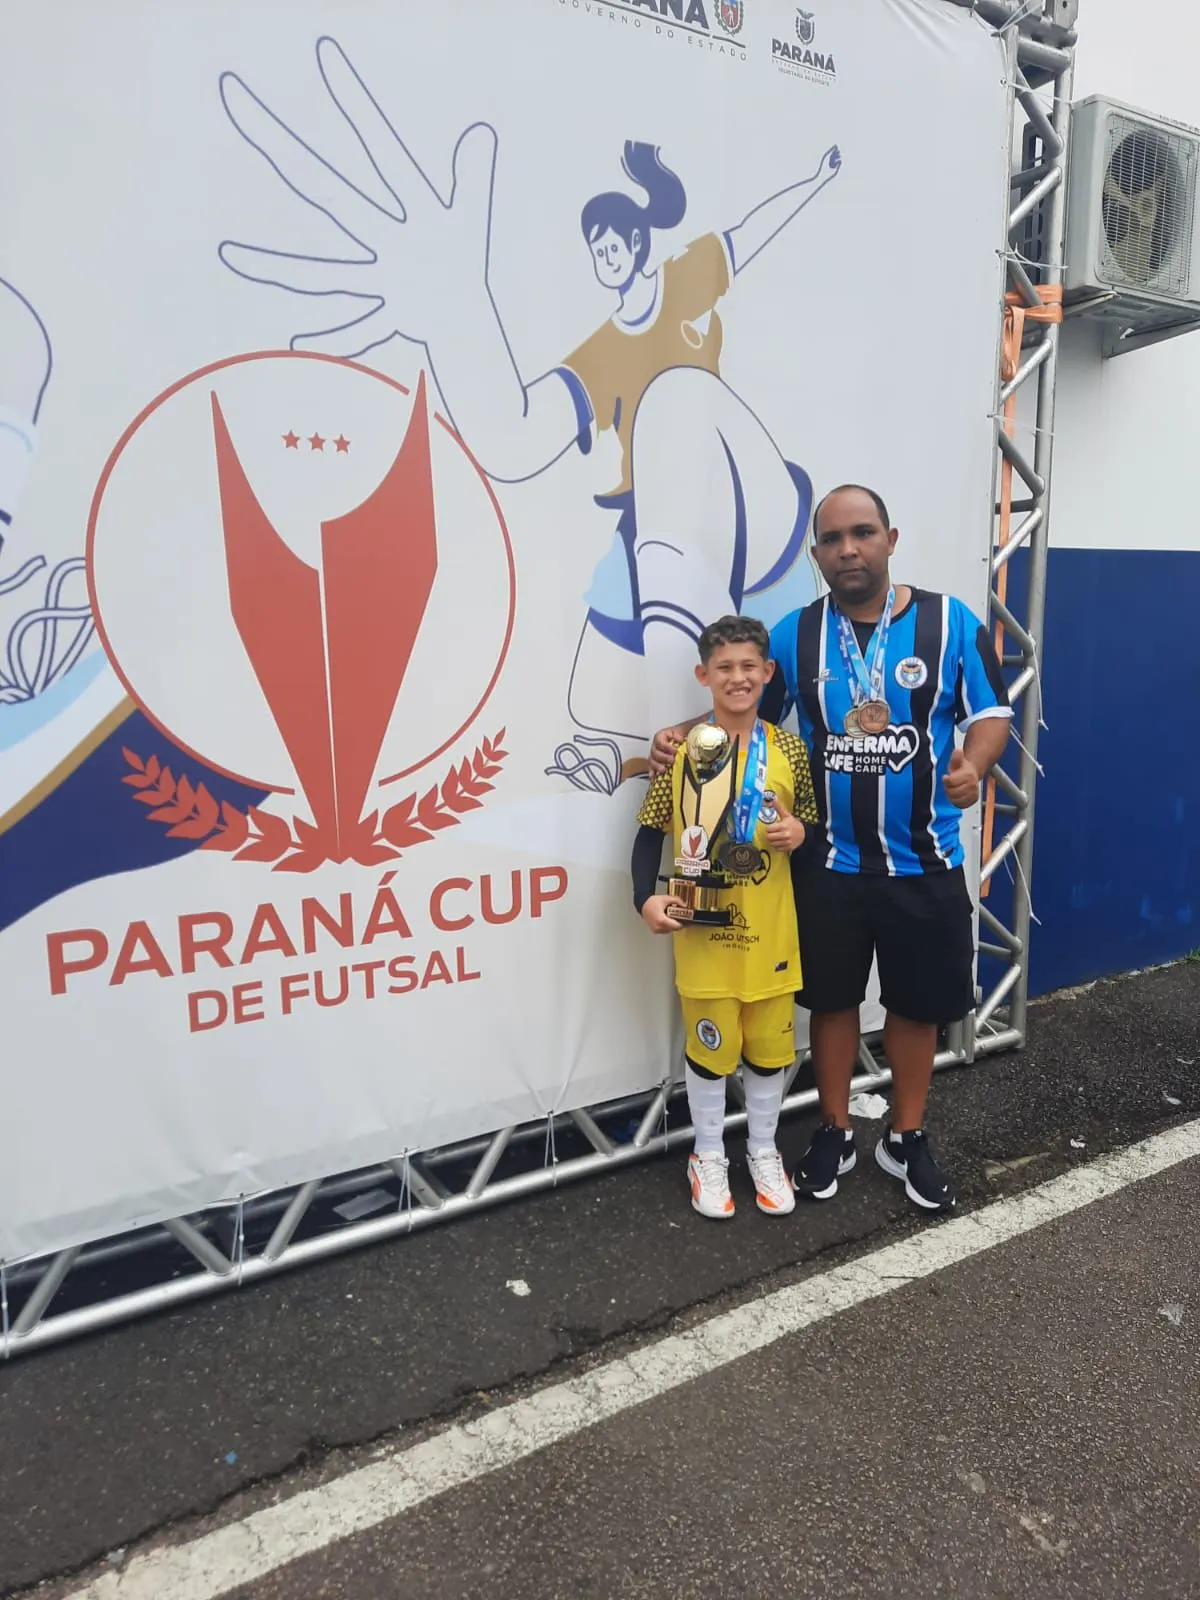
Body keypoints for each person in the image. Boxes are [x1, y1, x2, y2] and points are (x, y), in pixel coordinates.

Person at [218, 38, 841, 757]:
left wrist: (816, 181)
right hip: (660, 536)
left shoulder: (687, 275)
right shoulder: (602, 352)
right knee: (591, 701)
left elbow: (751, 233)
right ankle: (692, 784)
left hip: (753, 510)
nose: (606, 257)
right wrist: (457, 319)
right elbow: (512, 439)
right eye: (596, 248)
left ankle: (711, 761)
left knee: (675, 399)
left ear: (639, 244)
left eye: (615, 244)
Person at [650, 486, 1012, 1213]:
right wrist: (685, 734)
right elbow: (749, 703)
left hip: (924, 858)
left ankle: (905, 1135)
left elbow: (992, 711)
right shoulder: (795, 632)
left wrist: (975, 763)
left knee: (916, 1008)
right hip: (827, 865)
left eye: (862, 533)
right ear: (817, 554)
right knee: (833, 1003)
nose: (848, 548)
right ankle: (837, 1128)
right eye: (833, 539)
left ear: (890, 538)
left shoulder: (951, 622)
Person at [633, 615, 818, 1220]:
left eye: (748, 667)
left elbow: (812, 829)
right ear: (703, 675)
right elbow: (646, 835)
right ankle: (707, 1154)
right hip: (704, 932)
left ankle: (763, 1150)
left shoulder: (789, 749)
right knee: (710, 1052)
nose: (737, 679)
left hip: (772, 934)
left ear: (767, 673)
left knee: (769, 1051)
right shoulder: (685, 752)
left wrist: (799, 832)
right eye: (724, 669)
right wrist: (645, 898)